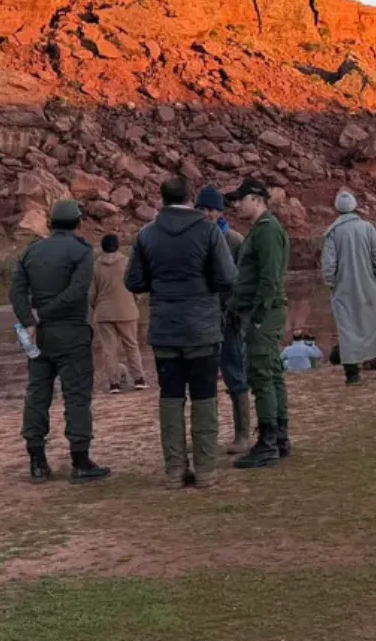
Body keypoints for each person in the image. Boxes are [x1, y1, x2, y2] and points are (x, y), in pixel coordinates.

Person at [125, 177, 236, 489]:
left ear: (162, 198)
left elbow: (133, 281)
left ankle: (175, 471)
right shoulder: (208, 230)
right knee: (205, 398)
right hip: (202, 328)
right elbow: (227, 277)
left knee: (170, 398)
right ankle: (205, 471)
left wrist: (161, 285)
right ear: (191, 198)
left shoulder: (147, 234)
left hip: (164, 329)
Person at [9, 200, 111, 483]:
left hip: (38, 337)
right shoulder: (81, 252)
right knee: (76, 395)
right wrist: (42, 315)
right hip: (71, 332)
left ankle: (37, 462)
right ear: (78, 223)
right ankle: (80, 461)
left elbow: (16, 292)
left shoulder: (31, 252)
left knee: (37, 395)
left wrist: (30, 321)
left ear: (51, 224)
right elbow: (78, 291)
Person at [228, 178, 291, 469]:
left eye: (240, 199)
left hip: (264, 314)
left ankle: (268, 441)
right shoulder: (260, 230)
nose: (236, 204)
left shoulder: (267, 231)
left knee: (261, 373)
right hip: (262, 312)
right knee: (272, 372)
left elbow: (269, 278)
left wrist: (257, 316)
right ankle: (278, 436)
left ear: (256, 199)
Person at [321, 191, 376, 386]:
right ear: (355, 206)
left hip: (343, 290)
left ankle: (352, 374)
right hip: (369, 288)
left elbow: (328, 266)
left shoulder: (333, 233)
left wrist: (332, 285)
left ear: (337, 209)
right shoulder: (367, 228)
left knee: (347, 330)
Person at [196, 185, 251, 455]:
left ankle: (242, 434)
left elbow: (241, 282)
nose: (206, 213)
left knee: (235, 374)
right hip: (200, 319)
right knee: (203, 379)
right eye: (202, 208)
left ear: (220, 211)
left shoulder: (235, 241)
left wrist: (235, 311)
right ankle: (208, 435)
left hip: (228, 318)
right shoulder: (191, 239)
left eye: (211, 209)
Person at [90, 234, 147, 394]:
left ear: (102, 247)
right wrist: (135, 300)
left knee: (109, 349)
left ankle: (114, 383)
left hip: (103, 312)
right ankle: (139, 379)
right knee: (131, 345)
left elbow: (92, 294)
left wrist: (97, 306)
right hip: (126, 310)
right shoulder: (127, 262)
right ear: (118, 245)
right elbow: (136, 285)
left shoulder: (96, 266)